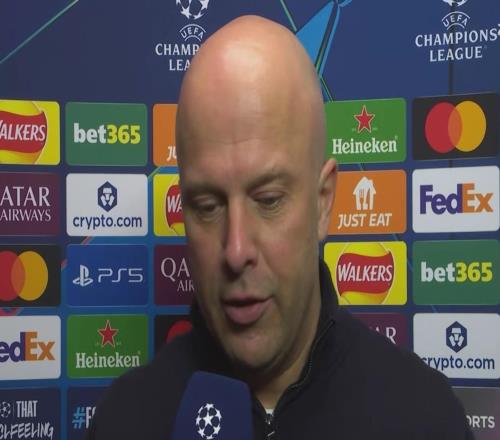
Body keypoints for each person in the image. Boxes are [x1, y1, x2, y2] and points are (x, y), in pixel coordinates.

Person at [87, 15, 473, 439]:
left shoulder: (423, 418)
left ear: (323, 202)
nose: (236, 251)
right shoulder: (125, 421)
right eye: (207, 206)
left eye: (268, 200)